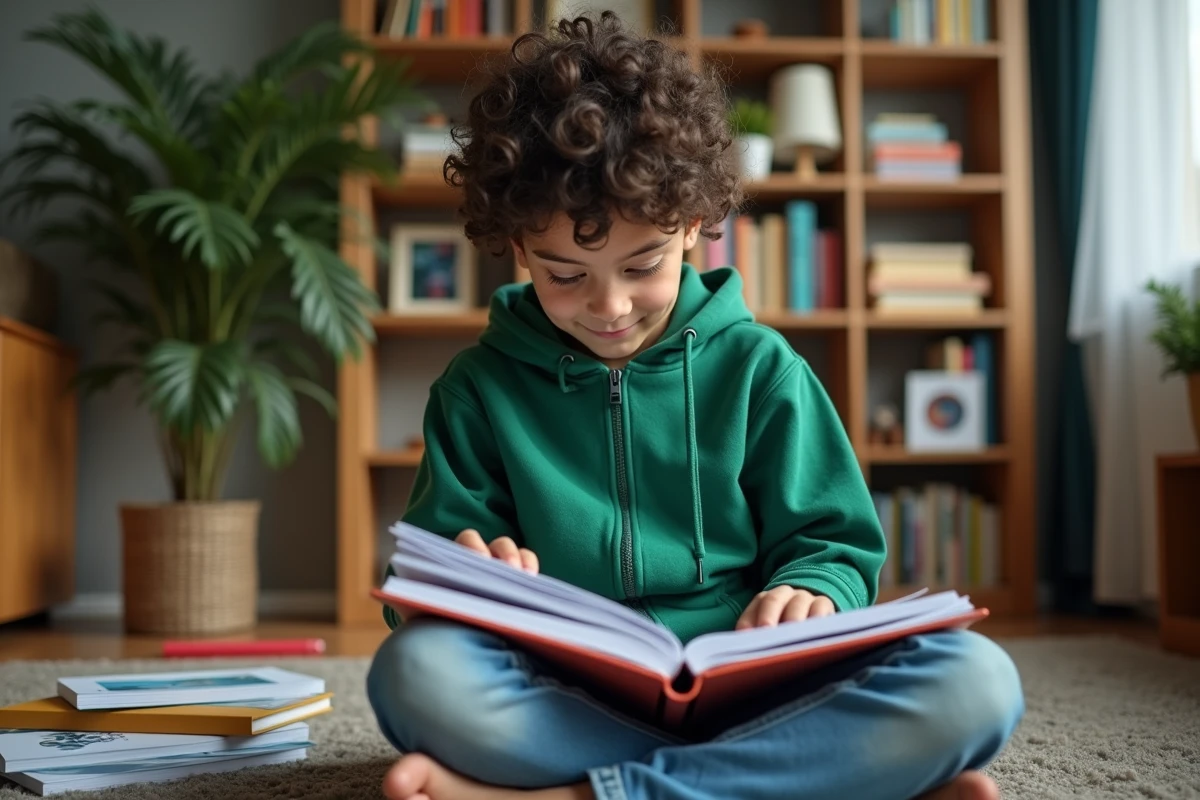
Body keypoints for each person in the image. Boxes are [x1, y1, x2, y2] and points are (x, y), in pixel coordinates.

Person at [366, 12, 1024, 800]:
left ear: (691, 229)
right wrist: (466, 584)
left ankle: (593, 794)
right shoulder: (476, 391)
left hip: (759, 689)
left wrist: (812, 588)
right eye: (565, 274)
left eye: (640, 264)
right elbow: (427, 589)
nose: (608, 306)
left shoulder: (762, 369)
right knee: (412, 677)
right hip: (576, 698)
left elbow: (835, 544)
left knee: (976, 680)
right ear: (517, 247)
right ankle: (813, 781)